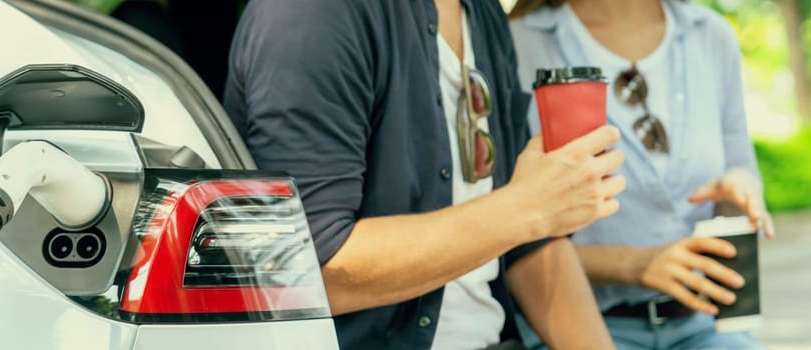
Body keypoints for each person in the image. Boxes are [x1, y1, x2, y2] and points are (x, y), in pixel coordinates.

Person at [224, 0, 626, 349]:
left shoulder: (482, 13)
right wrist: (525, 209)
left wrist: (534, 211)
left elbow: (531, 248)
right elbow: (308, 270)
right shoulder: (316, 12)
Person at [508, 0, 775, 349]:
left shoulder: (710, 33)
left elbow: (742, 169)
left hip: (703, 324)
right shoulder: (518, 43)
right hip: (577, 329)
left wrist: (740, 189)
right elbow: (508, 235)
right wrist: (633, 264)